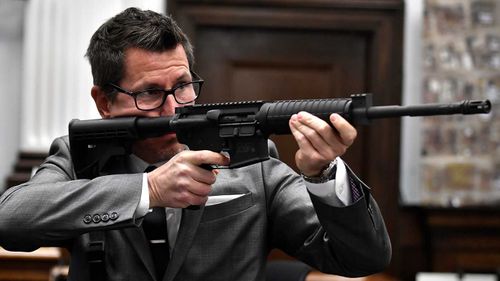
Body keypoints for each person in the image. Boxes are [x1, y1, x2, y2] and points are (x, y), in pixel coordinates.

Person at [0, 7, 391, 281]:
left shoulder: (251, 164)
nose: (174, 107)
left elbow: (362, 258)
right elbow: (10, 220)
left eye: (183, 86)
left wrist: (323, 175)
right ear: (104, 101)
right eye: (150, 93)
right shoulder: (78, 157)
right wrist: (147, 190)